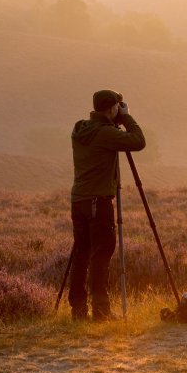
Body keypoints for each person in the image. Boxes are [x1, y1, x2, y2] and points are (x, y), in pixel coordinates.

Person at [69, 89, 145, 322]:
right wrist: (127, 117)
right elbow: (138, 141)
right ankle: (101, 311)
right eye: (117, 106)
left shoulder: (80, 129)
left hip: (79, 200)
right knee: (101, 254)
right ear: (112, 108)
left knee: (81, 253)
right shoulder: (105, 133)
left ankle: (78, 310)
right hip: (98, 201)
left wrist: (114, 121)